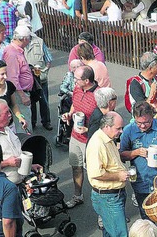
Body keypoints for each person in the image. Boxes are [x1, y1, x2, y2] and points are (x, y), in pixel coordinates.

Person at [120, 101, 157, 220]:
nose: (142, 126)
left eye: (146, 122)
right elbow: (122, 155)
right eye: (139, 123)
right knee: (146, 217)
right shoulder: (128, 130)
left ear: (152, 116)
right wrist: (136, 152)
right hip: (141, 181)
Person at [61, 65, 99, 208]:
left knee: (94, 172)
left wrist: (88, 129)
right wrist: (69, 114)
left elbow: (104, 121)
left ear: (87, 80)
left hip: (90, 140)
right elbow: (74, 105)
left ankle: (101, 205)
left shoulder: (98, 95)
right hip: (76, 136)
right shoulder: (77, 88)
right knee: (76, 167)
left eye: (77, 79)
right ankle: (78, 196)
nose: (74, 81)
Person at [86, 111, 128, 237]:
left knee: (110, 231)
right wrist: (118, 176)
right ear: (106, 127)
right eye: (118, 128)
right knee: (120, 234)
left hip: (112, 196)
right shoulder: (97, 144)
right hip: (108, 197)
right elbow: (95, 173)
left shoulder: (108, 138)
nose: (121, 131)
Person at [20, 19, 52, 131]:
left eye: (28, 29)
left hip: (40, 78)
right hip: (27, 80)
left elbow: (48, 58)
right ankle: (32, 123)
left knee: (44, 101)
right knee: (31, 103)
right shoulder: (17, 44)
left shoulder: (39, 41)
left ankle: (46, 121)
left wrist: (45, 70)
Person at [2, 25, 32, 121]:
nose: (29, 41)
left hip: (21, 92)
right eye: (29, 38)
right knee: (24, 122)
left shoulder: (15, 50)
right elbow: (12, 78)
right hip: (18, 94)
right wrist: (23, 96)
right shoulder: (12, 54)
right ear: (23, 39)